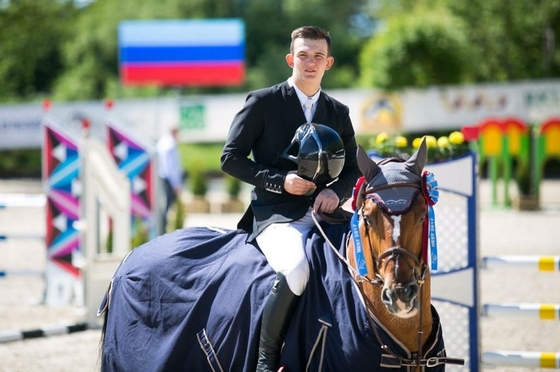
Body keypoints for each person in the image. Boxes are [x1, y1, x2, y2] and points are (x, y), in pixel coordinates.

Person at [221, 26, 361, 372]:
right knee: (297, 270)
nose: (309, 63)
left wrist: (336, 192)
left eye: (317, 57)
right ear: (290, 59)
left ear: (328, 63)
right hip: (275, 215)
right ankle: (266, 361)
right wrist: (280, 181)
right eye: (303, 55)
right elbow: (230, 158)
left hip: (326, 215)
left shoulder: (338, 111)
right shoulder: (262, 101)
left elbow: (355, 168)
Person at [156, 125, 184, 233]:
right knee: (169, 207)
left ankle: (162, 229)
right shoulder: (170, 145)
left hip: (162, 177)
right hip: (169, 179)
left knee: (164, 207)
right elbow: (172, 167)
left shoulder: (162, 142)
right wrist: (176, 183)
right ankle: (165, 230)